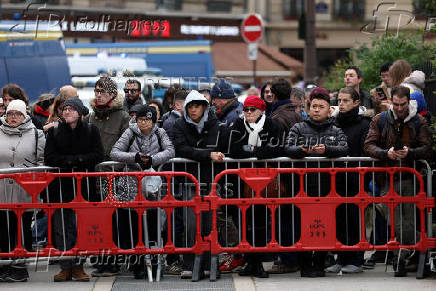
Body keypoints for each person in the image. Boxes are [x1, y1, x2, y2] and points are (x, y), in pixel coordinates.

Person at [363, 86, 432, 277]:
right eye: (395, 104)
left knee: (405, 219)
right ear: (391, 101)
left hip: (410, 177)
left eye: (402, 104)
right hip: (385, 177)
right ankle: (421, 244)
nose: (399, 108)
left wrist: (410, 152)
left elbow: (428, 148)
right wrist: (387, 153)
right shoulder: (381, 119)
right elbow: (368, 146)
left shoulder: (419, 121)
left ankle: (400, 259)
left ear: (408, 102)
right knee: (393, 219)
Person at [285, 87, 348, 278]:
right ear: (308, 108)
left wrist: (327, 150)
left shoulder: (336, 129)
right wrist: (301, 151)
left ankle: (320, 264)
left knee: (325, 226)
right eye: (314, 106)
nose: (317, 110)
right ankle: (305, 265)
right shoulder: (298, 128)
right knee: (301, 227)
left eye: (321, 106)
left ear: (329, 110)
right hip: (301, 188)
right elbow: (288, 148)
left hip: (328, 188)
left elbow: (345, 148)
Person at [110, 105, 175, 279]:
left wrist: (153, 160)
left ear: (154, 121)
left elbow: (170, 150)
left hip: (153, 187)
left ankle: (154, 261)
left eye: (147, 120)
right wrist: (135, 158)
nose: (143, 123)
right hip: (131, 185)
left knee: (153, 225)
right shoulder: (130, 132)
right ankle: (137, 263)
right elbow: (114, 152)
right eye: (140, 120)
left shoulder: (160, 133)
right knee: (133, 225)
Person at [44, 98, 104, 282]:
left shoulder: (91, 130)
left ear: (79, 112)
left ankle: (79, 265)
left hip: (84, 187)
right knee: (62, 227)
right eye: (65, 109)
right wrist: (72, 161)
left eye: (71, 109)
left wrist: (75, 160)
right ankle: (65, 265)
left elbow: (98, 154)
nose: (67, 112)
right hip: (61, 187)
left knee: (81, 227)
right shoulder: (54, 132)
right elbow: (50, 157)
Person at [172, 90, 228, 280]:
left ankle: (210, 264)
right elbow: (181, 149)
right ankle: (189, 264)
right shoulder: (179, 124)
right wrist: (207, 154)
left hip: (212, 181)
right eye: (190, 106)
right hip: (189, 181)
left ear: (204, 107)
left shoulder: (215, 124)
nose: (194, 110)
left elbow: (216, 146)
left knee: (210, 224)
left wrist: (207, 152)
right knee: (190, 224)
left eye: (197, 105)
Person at [228, 96, 282, 278]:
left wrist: (251, 150)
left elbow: (276, 148)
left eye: (252, 110)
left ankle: (257, 262)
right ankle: (250, 261)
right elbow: (233, 150)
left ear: (261, 110)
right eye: (246, 110)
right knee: (244, 223)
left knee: (259, 222)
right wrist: (258, 150)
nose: (248, 113)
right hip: (241, 181)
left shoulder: (271, 125)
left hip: (263, 180)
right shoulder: (238, 124)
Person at [0, 100, 45, 282]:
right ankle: (4, 265)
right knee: (3, 228)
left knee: (22, 227)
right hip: (1, 188)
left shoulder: (37, 134)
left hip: (25, 189)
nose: (13, 118)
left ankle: (19, 267)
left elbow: (42, 161)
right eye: (10, 114)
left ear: (24, 115)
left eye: (17, 114)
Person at [327, 86, 371, 274]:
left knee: (354, 217)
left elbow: (364, 151)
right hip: (334, 178)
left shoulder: (364, 124)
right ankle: (341, 256)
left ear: (356, 102)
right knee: (337, 218)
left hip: (355, 178)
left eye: (345, 101)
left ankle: (356, 258)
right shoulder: (333, 122)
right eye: (339, 101)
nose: (341, 104)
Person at [84, 76, 130, 162]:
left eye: (102, 91)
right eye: (97, 91)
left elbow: (127, 148)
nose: (99, 95)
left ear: (112, 94)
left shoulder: (124, 117)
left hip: (113, 170)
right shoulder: (89, 118)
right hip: (90, 170)